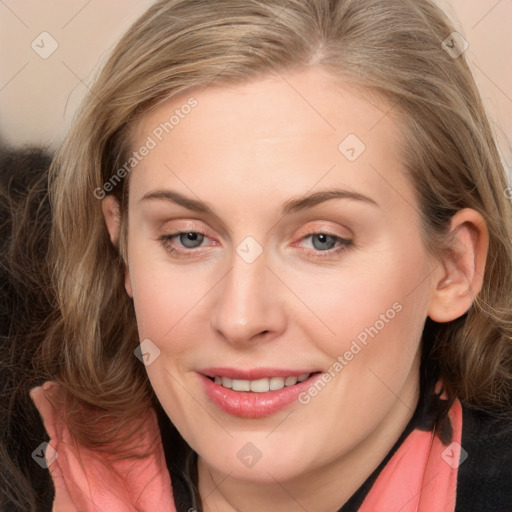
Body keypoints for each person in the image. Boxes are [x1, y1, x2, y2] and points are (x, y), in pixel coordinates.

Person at [1, 0, 512, 510]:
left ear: (452, 267)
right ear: (122, 250)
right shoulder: (27, 470)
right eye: (189, 237)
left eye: (322, 240)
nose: (241, 318)